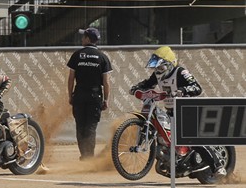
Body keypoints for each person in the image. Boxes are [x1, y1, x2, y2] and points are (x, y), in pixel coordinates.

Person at [130, 46, 226, 176]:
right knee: (162, 132)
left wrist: (182, 91)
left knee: (191, 139)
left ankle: (218, 167)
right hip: (171, 112)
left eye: (161, 67)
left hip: (187, 110)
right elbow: (147, 84)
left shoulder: (180, 72)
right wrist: (136, 88)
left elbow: (197, 88)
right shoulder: (157, 75)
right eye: (157, 67)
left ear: (169, 65)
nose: (158, 70)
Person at [67, 27, 112, 161]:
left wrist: (70, 96)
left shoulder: (77, 55)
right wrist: (106, 100)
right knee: (91, 128)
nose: (82, 39)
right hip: (95, 96)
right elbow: (106, 82)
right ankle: (89, 157)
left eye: (83, 36)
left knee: (80, 126)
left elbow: (71, 78)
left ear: (88, 39)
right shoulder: (103, 57)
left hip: (79, 95)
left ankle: (84, 155)